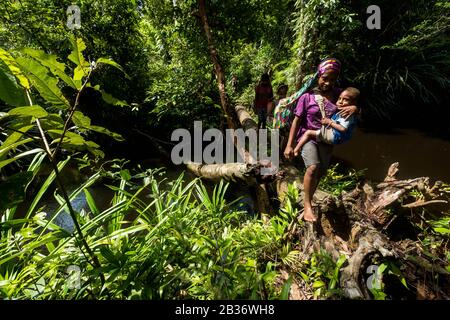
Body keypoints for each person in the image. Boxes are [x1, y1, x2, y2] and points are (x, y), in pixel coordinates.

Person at [284, 58, 358, 222]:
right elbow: (296, 121)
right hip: (308, 136)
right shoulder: (307, 97)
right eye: (325, 78)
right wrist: (290, 145)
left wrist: (355, 107)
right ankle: (307, 206)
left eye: (332, 79)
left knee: (321, 172)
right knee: (312, 167)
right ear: (318, 76)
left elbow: (355, 102)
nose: (328, 82)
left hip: (327, 139)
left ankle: (308, 197)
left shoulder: (340, 95)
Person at [293, 87, 360, 156]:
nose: (340, 101)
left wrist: (329, 122)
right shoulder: (342, 108)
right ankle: (299, 150)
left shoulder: (347, 114)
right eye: (339, 98)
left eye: (345, 100)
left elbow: (343, 128)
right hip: (334, 137)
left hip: (333, 136)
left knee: (308, 132)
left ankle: (296, 149)